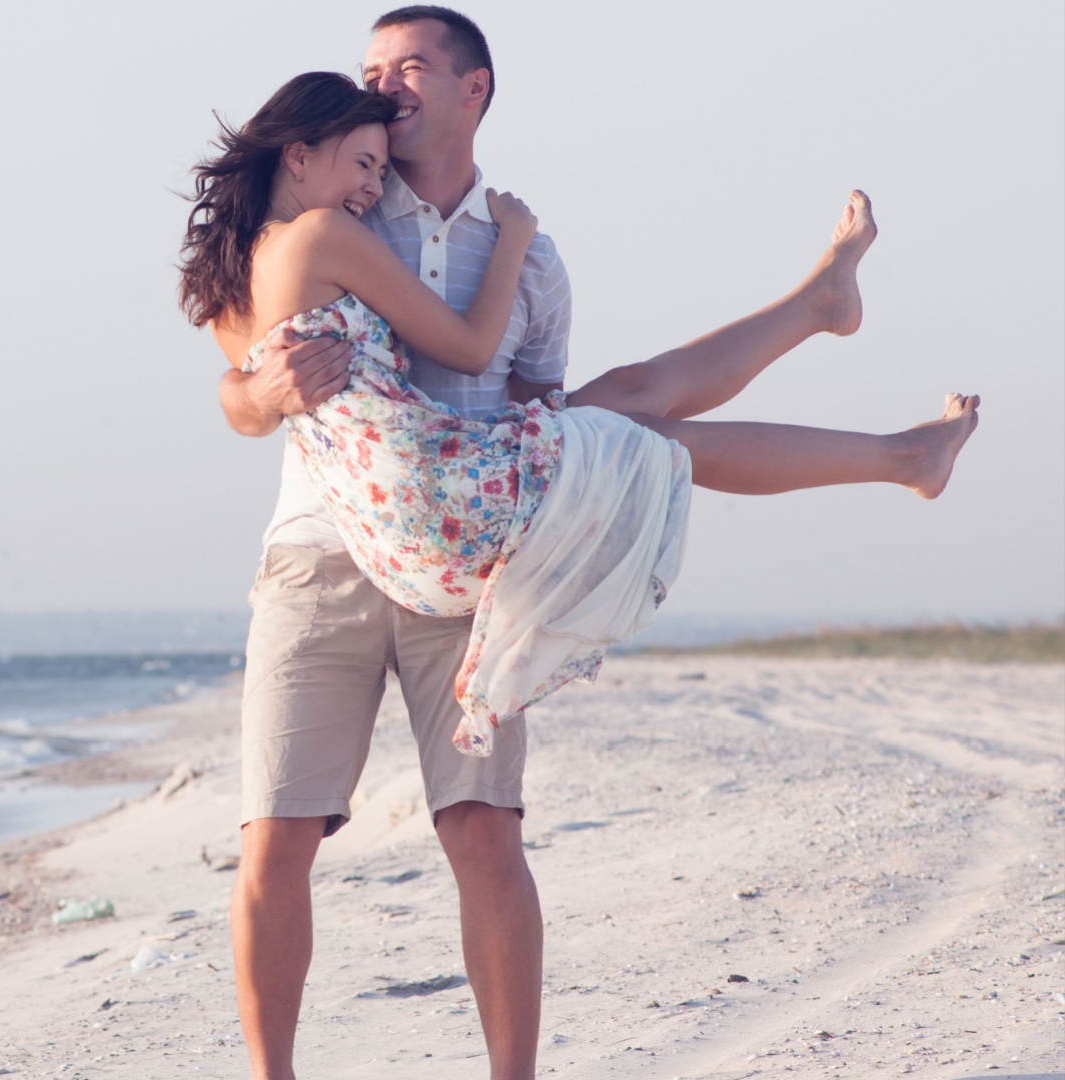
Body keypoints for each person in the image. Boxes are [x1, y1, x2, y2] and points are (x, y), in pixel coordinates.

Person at [186, 12, 979, 1080]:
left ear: (477, 89)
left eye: (408, 68)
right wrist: (264, 388)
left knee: (485, 829)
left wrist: (511, 259)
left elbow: (532, 398)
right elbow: (235, 386)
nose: (385, 89)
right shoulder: (339, 210)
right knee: (274, 837)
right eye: (371, 76)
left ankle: (513, 1077)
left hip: (463, 552)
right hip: (323, 552)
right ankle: (860, 382)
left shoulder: (524, 258)